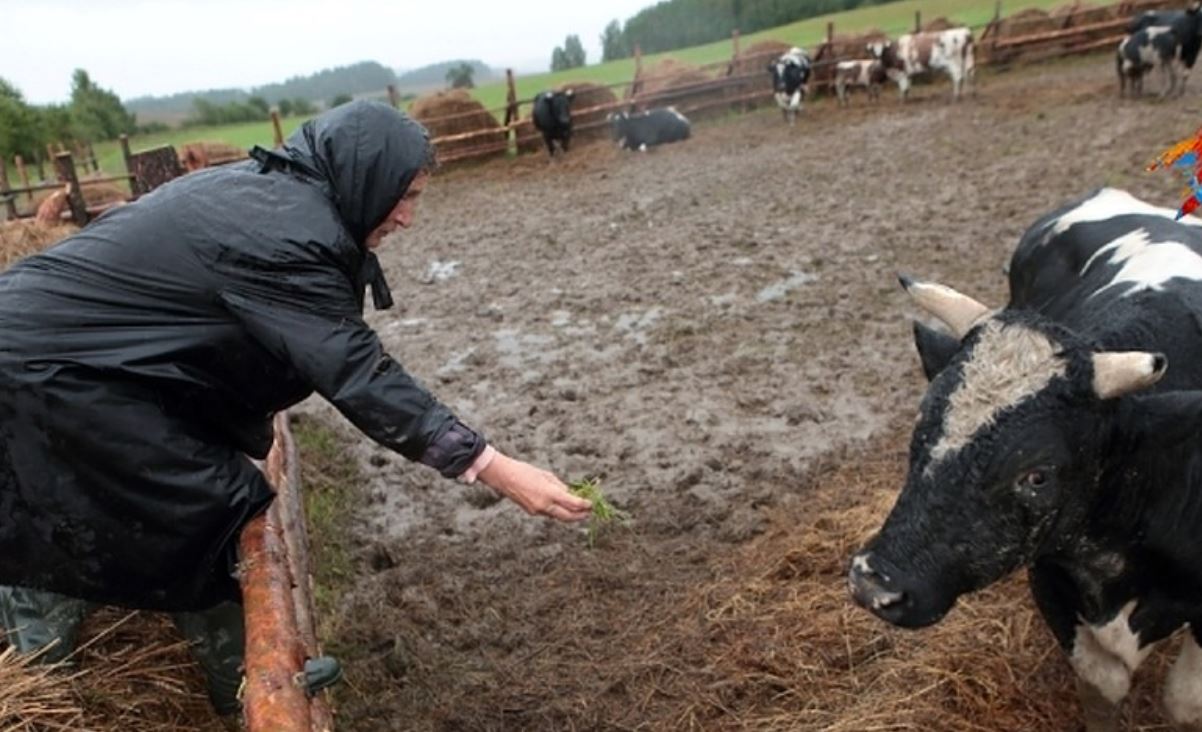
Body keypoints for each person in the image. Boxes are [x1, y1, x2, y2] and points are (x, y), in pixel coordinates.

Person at [0, 100, 592, 725]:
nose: (409, 218)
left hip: (54, 363)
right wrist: (492, 465)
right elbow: (356, 371)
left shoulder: (278, 199)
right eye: (404, 194)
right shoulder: (289, 233)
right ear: (365, 176)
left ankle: (70, 656)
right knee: (212, 507)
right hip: (42, 378)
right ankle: (230, 688)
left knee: (130, 500)